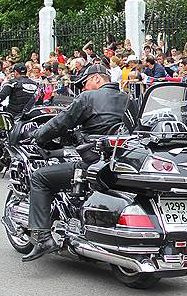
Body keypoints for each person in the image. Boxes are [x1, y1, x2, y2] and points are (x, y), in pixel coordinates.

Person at [22, 64, 129, 261]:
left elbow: (60, 122)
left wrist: (37, 135)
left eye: (85, 82)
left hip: (94, 163)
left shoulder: (88, 98)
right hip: (120, 164)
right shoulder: (130, 99)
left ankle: (43, 237)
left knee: (39, 178)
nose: (83, 87)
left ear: (97, 78)